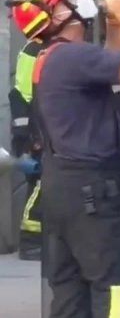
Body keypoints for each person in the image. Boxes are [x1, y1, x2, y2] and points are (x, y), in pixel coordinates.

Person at [6, 0, 120, 315]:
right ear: (55, 15)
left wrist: (112, 24)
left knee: (71, 294)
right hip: (93, 192)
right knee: (116, 287)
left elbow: (109, 69)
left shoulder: (56, 58)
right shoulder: (72, 57)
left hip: (64, 188)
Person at [8, 38, 45, 260]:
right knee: (41, 183)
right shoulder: (35, 48)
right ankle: (30, 242)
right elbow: (21, 95)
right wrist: (28, 135)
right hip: (39, 134)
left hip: (51, 131)